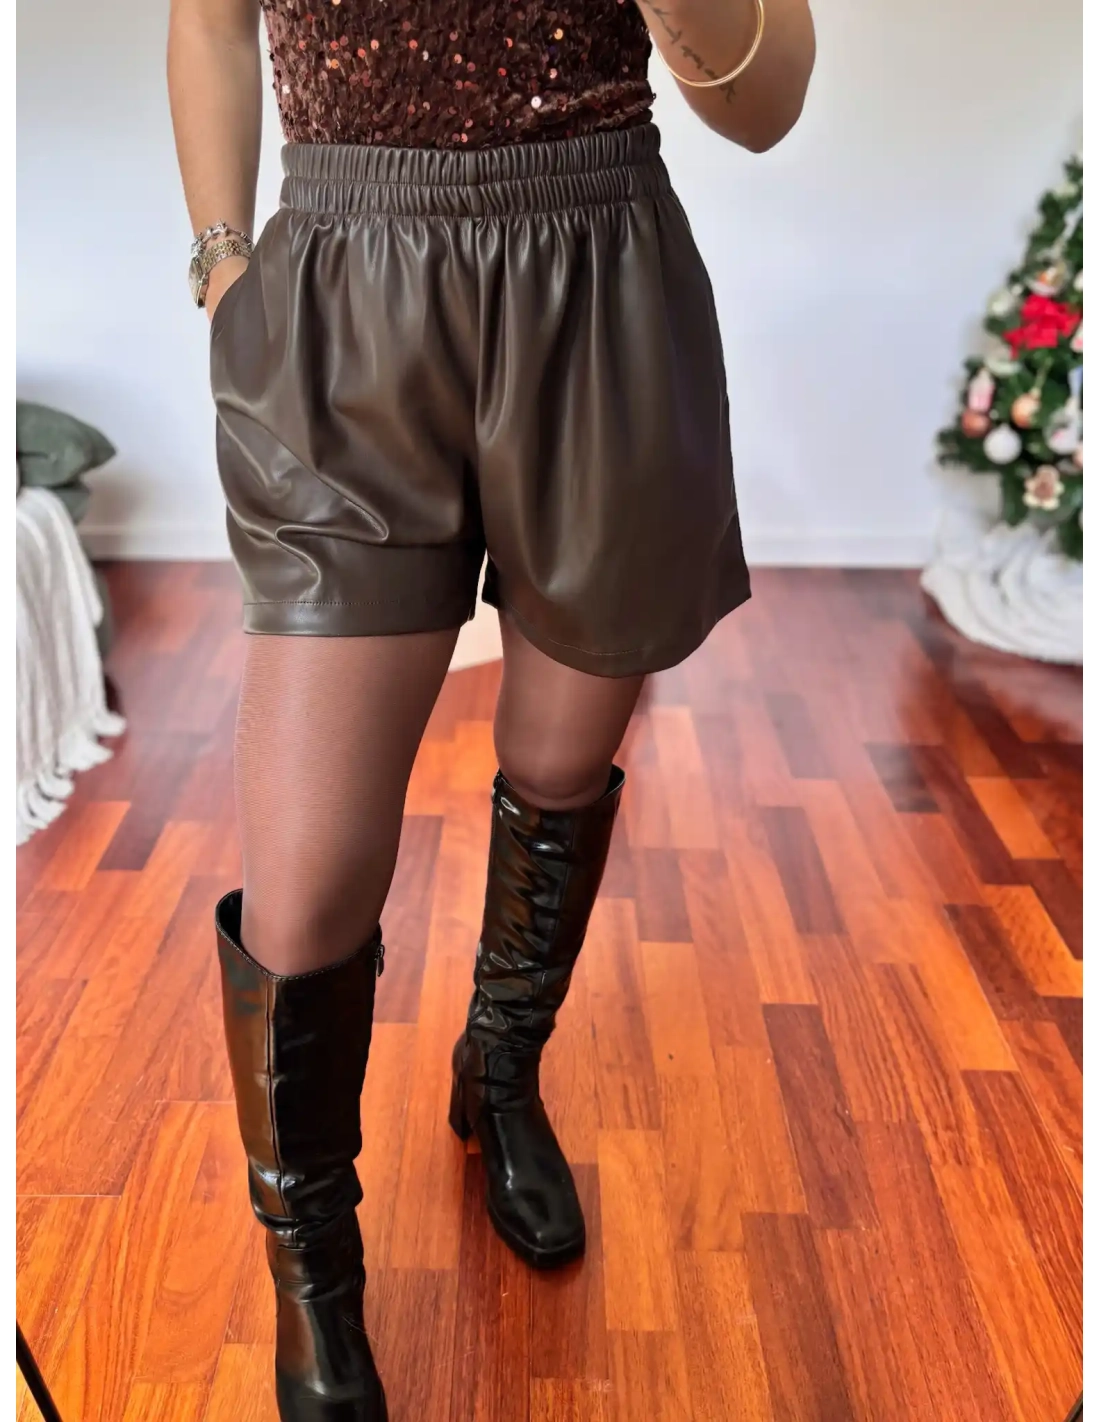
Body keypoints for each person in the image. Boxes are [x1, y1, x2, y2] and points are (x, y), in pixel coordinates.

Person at [168, 1, 815, 1416]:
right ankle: (313, 1273)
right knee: (303, 881)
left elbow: (767, 106)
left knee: (562, 762)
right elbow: (208, 21)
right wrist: (224, 267)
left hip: (597, 281)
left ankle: (500, 1069)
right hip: (342, 296)